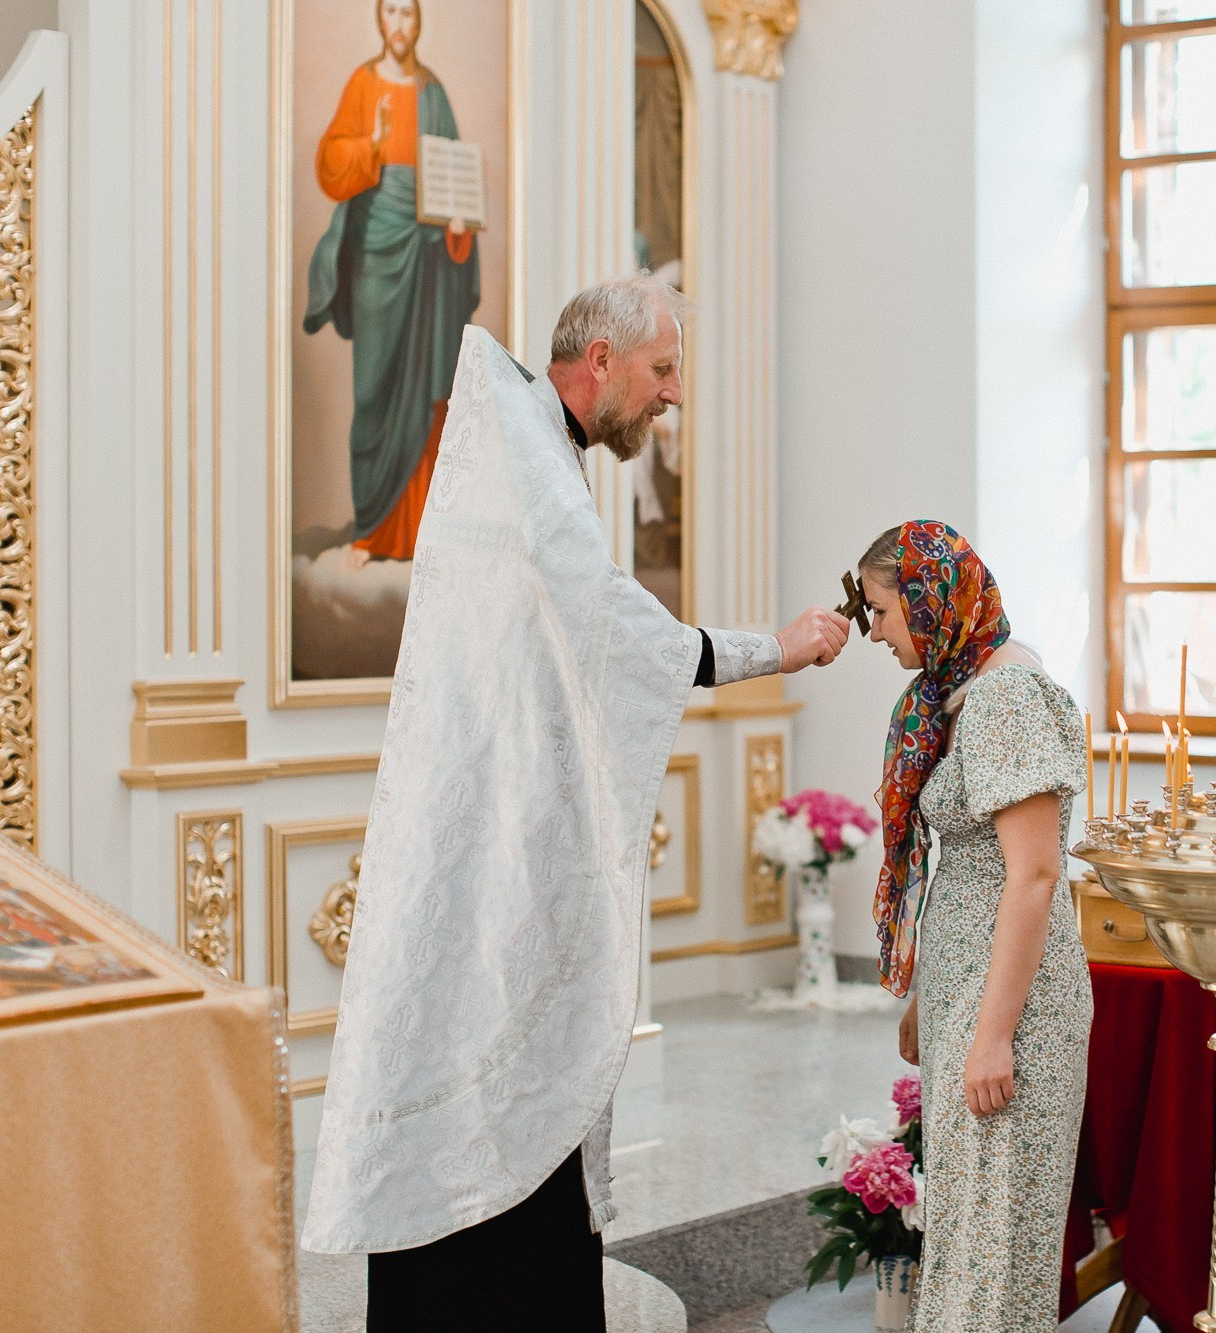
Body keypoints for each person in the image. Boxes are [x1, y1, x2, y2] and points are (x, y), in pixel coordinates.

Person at [301, 272, 852, 1332]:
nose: (673, 394)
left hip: (489, 843)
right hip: (496, 862)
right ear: (597, 360)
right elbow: (610, 629)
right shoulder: (530, 459)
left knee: (493, 1099)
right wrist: (770, 650)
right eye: (661, 369)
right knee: (500, 1116)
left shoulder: (526, 450)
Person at [859, 520, 1093, 1331]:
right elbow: (966, 871)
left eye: (884, 611)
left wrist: (992, 1034)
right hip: (972, 990)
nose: (878, 632)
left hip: (1016, 1009)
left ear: (928, 602)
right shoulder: (955, 692)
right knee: (964, 1237)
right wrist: (932, 997)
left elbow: (1032, 876)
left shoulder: (1004, 697)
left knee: (997, 1252)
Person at [304, 0, 479, 567]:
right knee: (375, 390)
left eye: (408, 12)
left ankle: (420, 533)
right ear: (381, 20)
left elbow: (456, 179)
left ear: (418, 21)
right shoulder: (363, 84)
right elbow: (332, 165)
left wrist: (458, 228)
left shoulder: (434, 93)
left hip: (429, 263)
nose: (399, 24)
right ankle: (372, 532)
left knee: (428, 395)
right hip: (379, 256)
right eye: (391, 12)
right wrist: (372, 144)